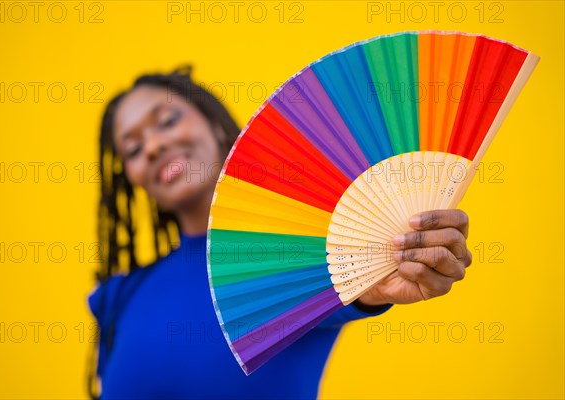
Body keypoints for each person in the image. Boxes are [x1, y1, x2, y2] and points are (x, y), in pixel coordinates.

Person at [87, 66, 472, 399]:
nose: (152, 146)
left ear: (218, 127)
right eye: (133, 148)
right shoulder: (120, 296)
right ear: (134, 179)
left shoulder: (297, 258)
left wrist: (385, 273)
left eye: (168, 120)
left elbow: (355, 287)